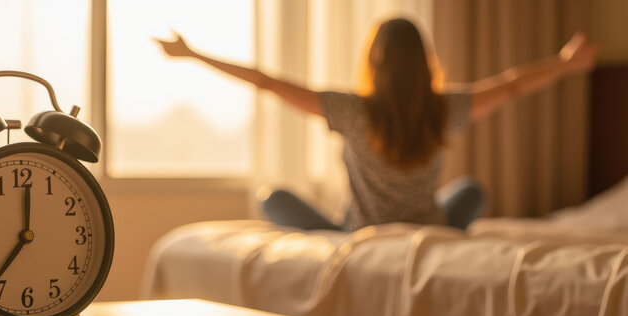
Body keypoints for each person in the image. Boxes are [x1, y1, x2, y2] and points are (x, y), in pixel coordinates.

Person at [155, 18, 598, 231]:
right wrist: (564, 63)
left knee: (272, 199)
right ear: (425, 64)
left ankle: (340, 239)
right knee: (472, 192)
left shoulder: (352, 111)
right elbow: (512, 85)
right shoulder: (443, 109)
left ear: (375, 63)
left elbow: (267, 82)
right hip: (431, 228)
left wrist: (194, 55)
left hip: (361, 234)